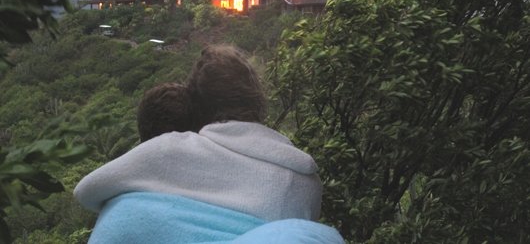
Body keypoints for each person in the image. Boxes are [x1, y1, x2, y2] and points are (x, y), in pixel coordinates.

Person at [74, 45, 343, 243]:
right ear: (257, 100)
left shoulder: (172, 148)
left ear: (195, 105)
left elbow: (87, 190)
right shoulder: (305, 179)